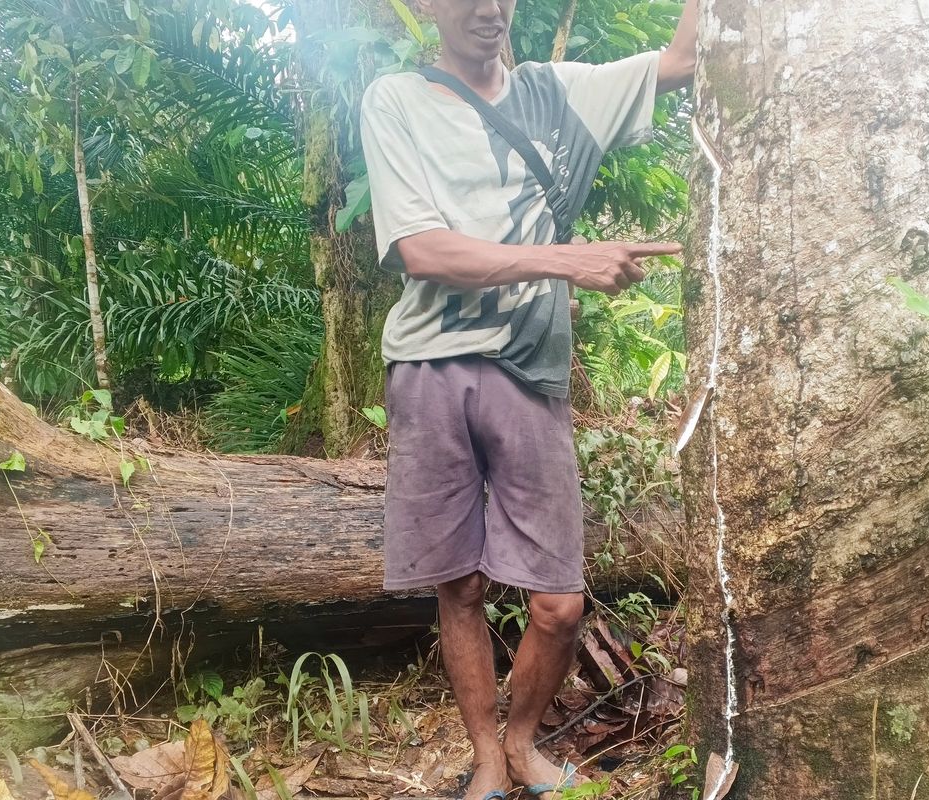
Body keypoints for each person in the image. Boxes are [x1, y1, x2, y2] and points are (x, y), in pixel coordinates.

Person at [359, 1, 696, 797]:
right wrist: (565, 260)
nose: (488, 8)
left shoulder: (557, 93)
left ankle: (520, 741)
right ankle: (487, 755)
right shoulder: (396, 99)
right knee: (460, 585)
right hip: (430, 365)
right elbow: (420, 249)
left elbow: (683, 62)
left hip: (529, 369)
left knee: (558, 603)